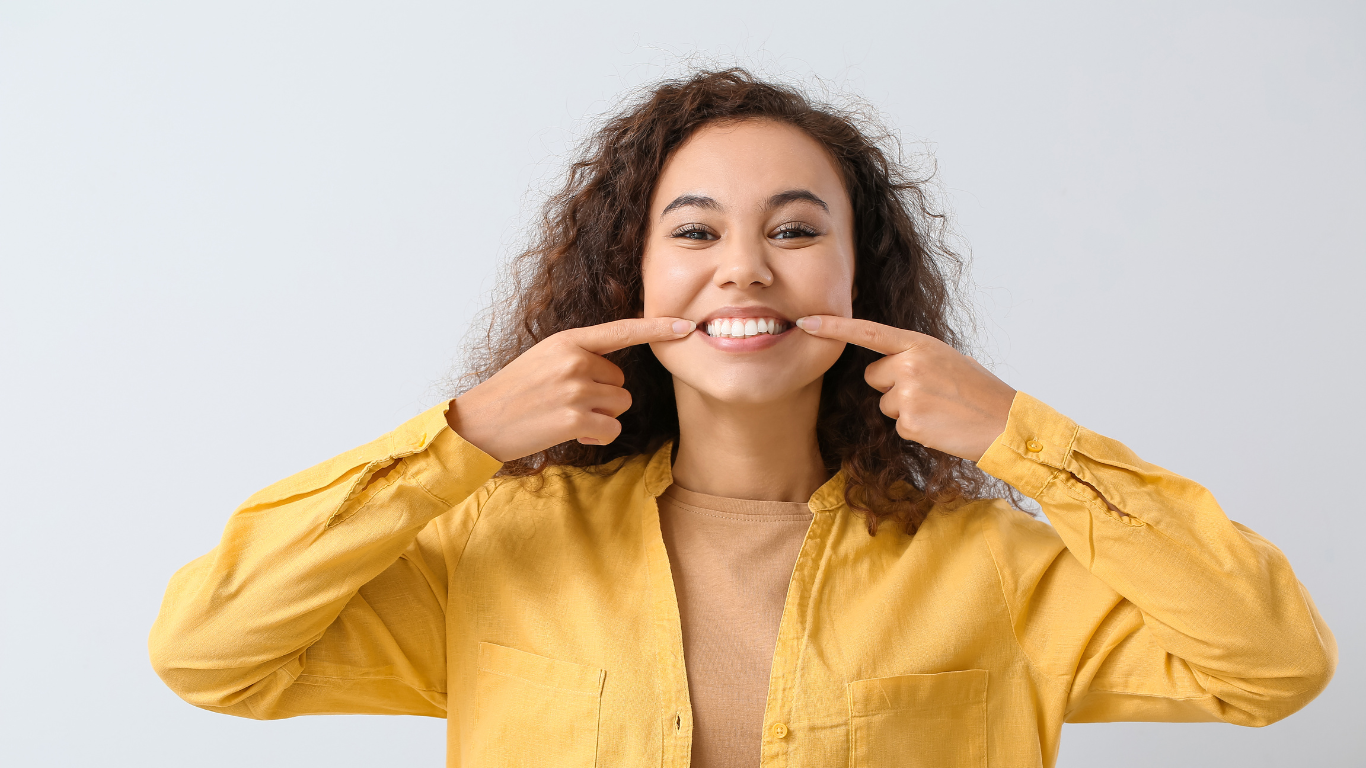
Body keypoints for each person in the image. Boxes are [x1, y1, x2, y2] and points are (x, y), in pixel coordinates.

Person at [148, 68, 1336, 768]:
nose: (745, 271)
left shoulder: (995, 568)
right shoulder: (494, 551)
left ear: (858, 277)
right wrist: (461, 441)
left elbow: (1270, 668)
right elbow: (211, 654)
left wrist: (1019, 437)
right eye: (697, 231)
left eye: (796, 229)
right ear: (634, 279)